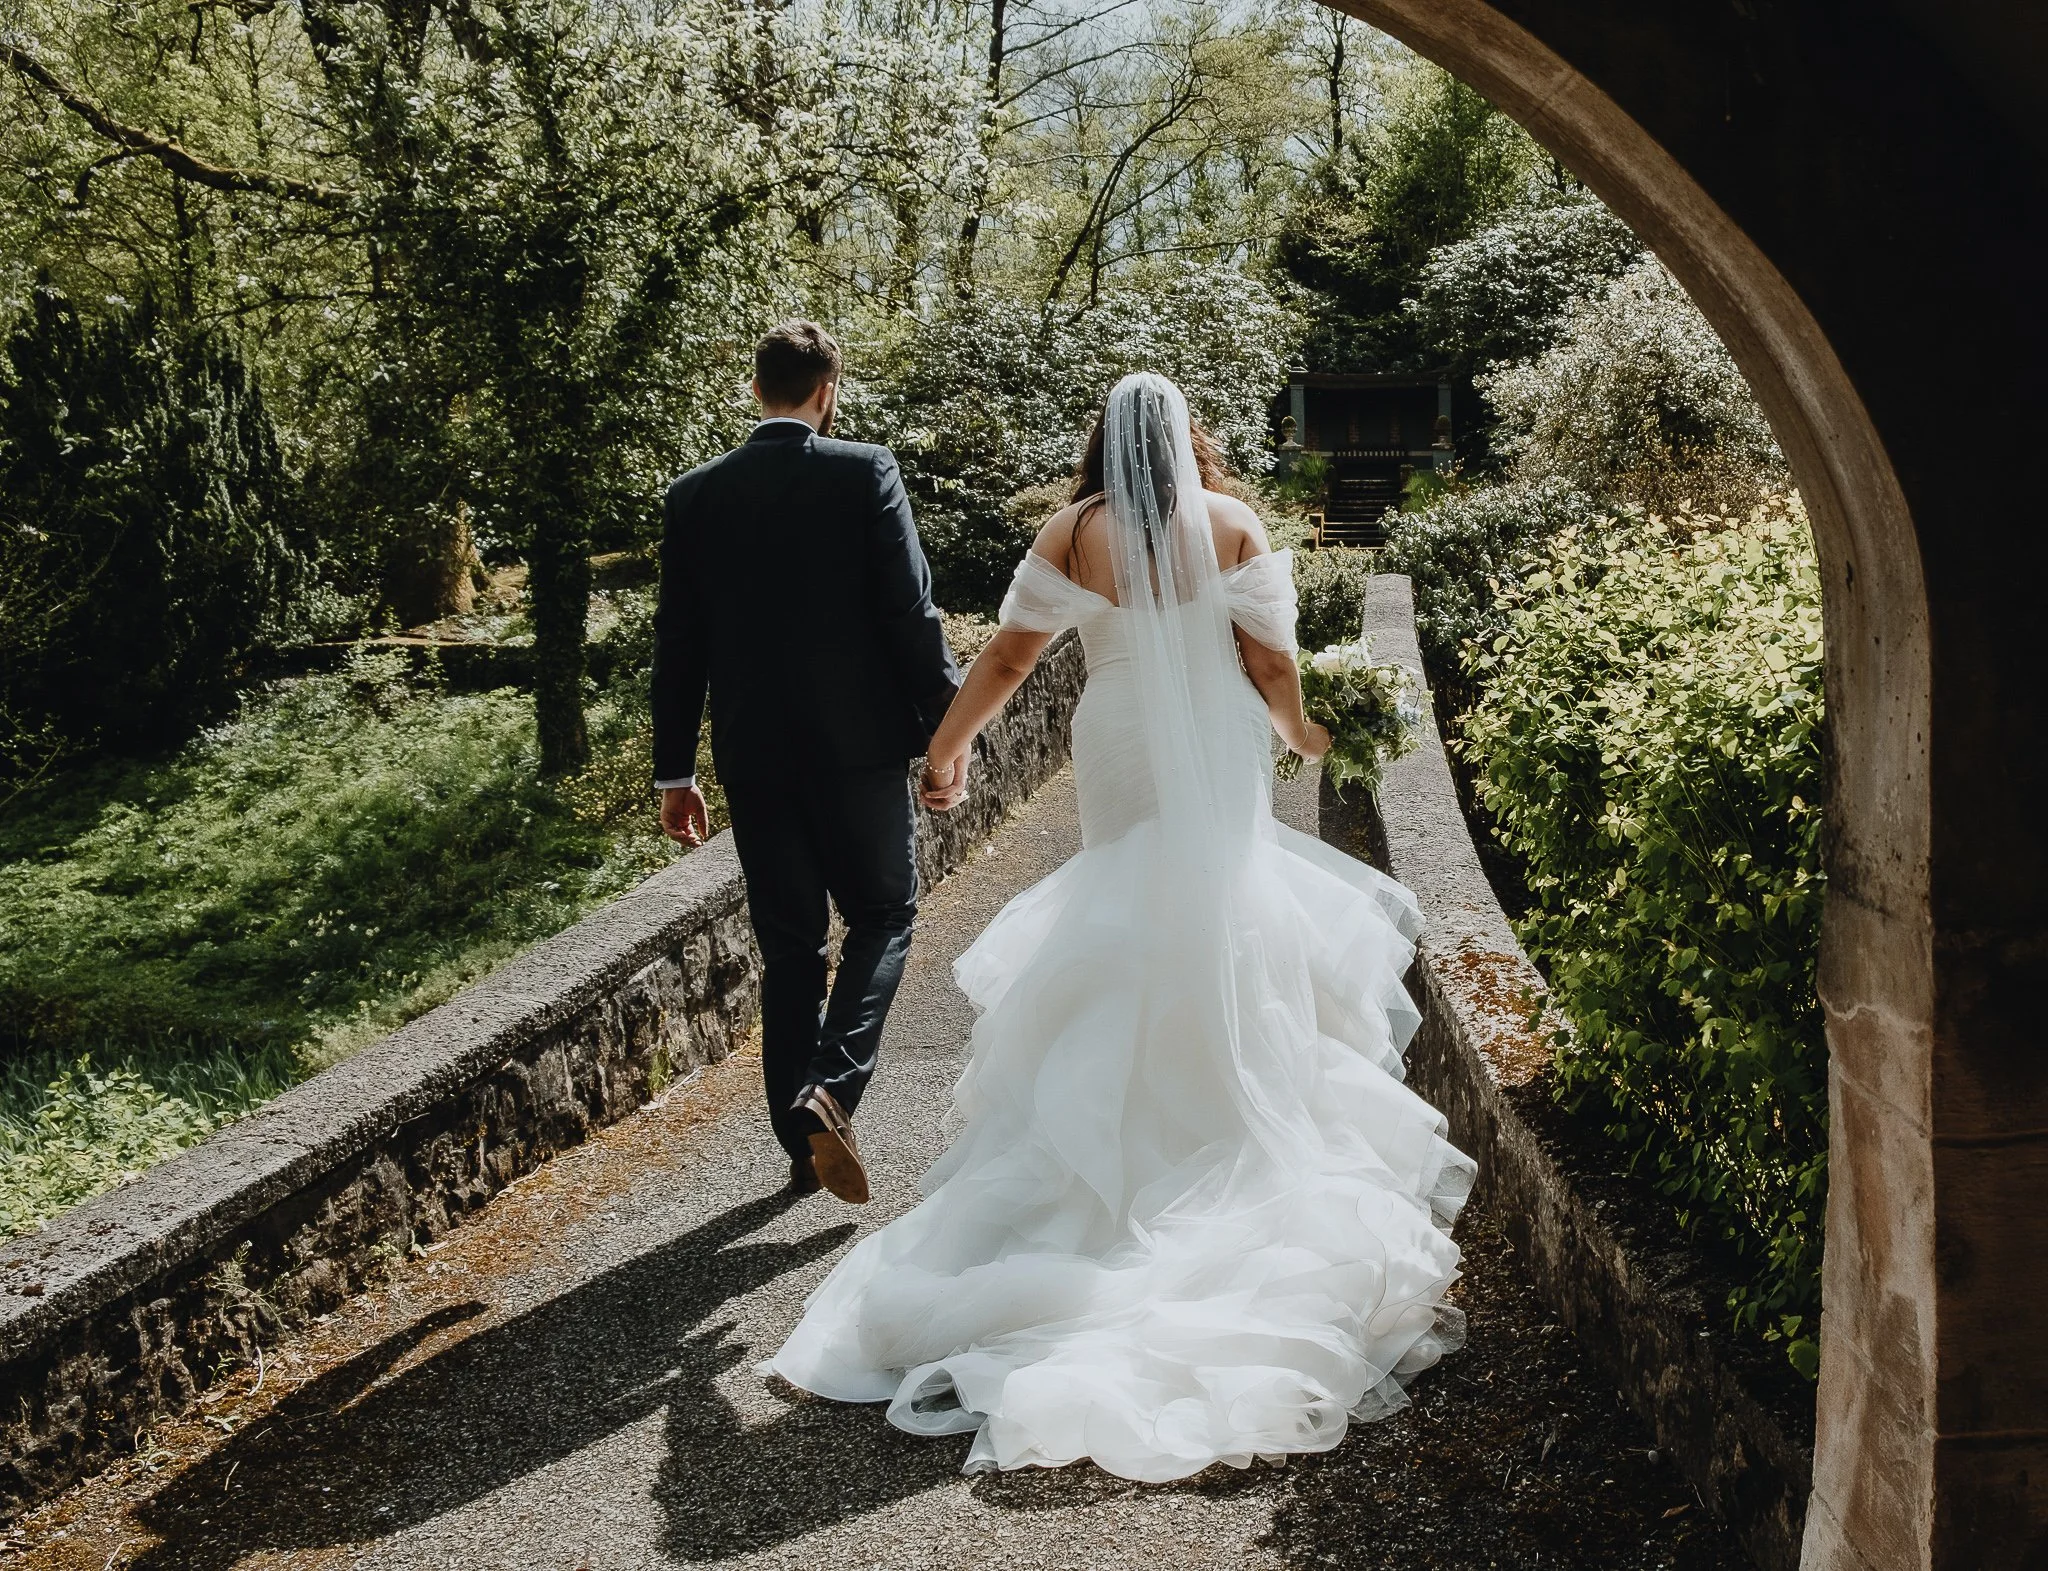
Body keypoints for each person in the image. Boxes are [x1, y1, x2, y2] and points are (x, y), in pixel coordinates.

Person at [767, 372, 1473, 1482]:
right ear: (1186, 436)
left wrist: (945, 750)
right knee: (1224, 905)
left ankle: (1105, 1145)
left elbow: (1007, 655)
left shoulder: (1072, 529)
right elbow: (1271, 663)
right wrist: (1301, 733)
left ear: (1103, 439)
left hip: (1118, 737)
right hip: (1217, 738)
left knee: (1126, 909)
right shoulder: (1235, 522)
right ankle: (1219, 1114)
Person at [652, 320, 959, 1204]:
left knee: (791, 948)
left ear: (757, 390)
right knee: (885, 914)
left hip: (754, 754)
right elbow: (912, 612)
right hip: (858, 749)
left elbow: (679, 646)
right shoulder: (865, 470)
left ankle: (800, 1141)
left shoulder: (695, 494)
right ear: (829, 390)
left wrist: (677, 770)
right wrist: (946, 733)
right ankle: (833, 1087)